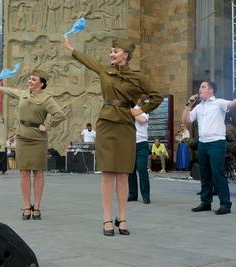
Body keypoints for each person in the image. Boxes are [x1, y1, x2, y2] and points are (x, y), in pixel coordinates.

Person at [65, 37, 163, 236]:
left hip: (126, 125)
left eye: (115, 51)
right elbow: (87, 61)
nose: (111, 54)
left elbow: (157, 96)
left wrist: (140, 110)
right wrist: (71, 48)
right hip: (107, 123)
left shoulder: (138, 77)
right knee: (108, 172)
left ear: (125, 55)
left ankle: (123, 217)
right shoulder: (104, 71)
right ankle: (107, 218)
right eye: (110, 51)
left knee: (123, 173)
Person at [0, 70, 65, 220]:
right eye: (29, 79)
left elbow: (60, 115)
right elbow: (11, 91)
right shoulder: (24, 94)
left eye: (33, 80)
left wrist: (48, 126)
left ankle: (37, 206)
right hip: (22, 136)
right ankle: (27, 206)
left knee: (38, 172)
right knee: (24, 172)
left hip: (38, 139)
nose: (29, 81)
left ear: (41, 84)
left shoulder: (47, 99)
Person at [182, 81, 236, 215]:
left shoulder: (218, 103)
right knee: (205, 175)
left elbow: (232, 104)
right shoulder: (198, 107)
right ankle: (206, 202)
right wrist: (189, 105)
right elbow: (186, 120)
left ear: (211, 91)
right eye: (200, 87)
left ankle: (225, 204)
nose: (199, 89)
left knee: (218, 174)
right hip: (203, 143)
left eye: (203, 87)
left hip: (217, 143)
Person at [128, 96, 151, 204]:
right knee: (130, 170)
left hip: (142, 143)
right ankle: (132, 194)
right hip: (130, 143)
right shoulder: (129, 110)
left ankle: (145, 195)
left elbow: (142, 120)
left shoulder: (143, 110)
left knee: (142, 169)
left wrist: (130, 111)